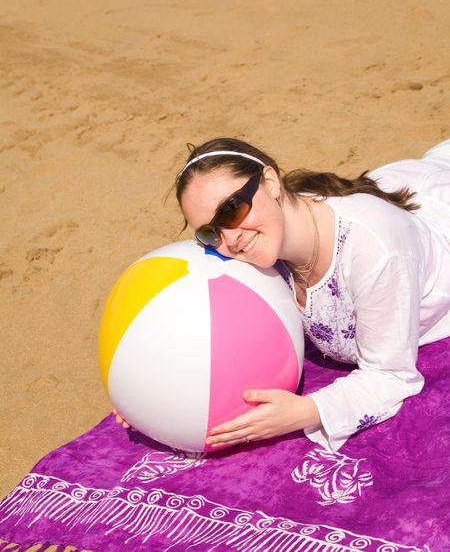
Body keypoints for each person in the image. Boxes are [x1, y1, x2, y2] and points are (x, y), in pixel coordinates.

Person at [116, 137, 450, 453]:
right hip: (397, 193)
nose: (230, 238)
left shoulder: (376, 250)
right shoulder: (247, 245)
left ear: (271, 182)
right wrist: (151, 395)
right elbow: (194, 328)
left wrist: (306, 411)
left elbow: (392, 376)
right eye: (209, 231)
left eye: (230, 209)